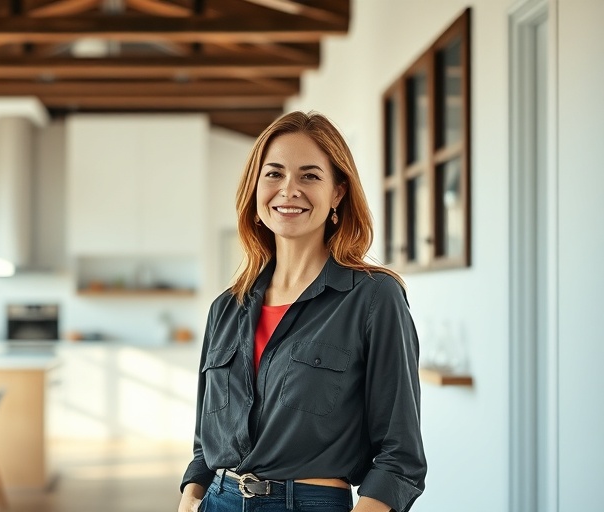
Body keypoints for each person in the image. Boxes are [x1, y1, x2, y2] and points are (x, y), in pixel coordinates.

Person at [178, 111, 426, 512]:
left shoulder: (374, 297)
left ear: (338, 193)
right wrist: (190, 498)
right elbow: (205, 444)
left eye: (309, 176)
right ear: (255, 189)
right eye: (273, 174)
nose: (288, 189)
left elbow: (401, 458)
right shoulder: (225, 308)